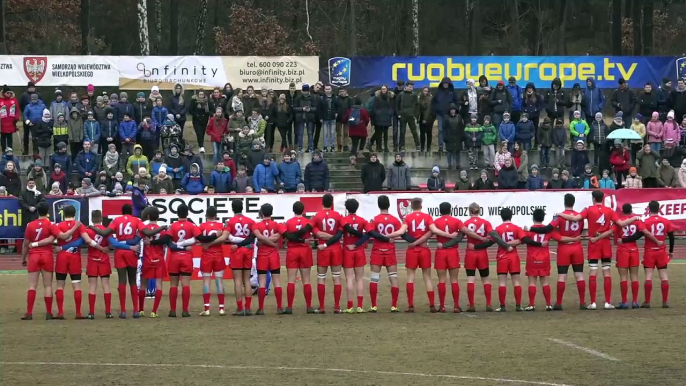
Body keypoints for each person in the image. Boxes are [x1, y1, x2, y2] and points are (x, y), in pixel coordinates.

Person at [556, 190, 636, 310]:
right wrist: (635, 218)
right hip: (605, 244)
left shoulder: (588, 209)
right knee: (606, 271)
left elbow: (576, 219)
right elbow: (621, 223)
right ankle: (607, 302)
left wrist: (560, 214)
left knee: (593, 272)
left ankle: (593, 302)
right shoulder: (609, 210)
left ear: (593, 198)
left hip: (594, 243)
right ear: (603, 199)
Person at [89, 204, 164, 318]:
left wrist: (92, 227)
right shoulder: (136, 220)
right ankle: (135, 310)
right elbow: (148, 233)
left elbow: (104, 233)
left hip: (119, 252)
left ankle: (123, 311)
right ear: (131, 211)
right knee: (133, 281)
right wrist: (162, 228)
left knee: (122, 281)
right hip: (131, 252)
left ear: (122, 212)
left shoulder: (116, 220)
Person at [50, 205, 110, 319]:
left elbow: (53, 239)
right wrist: (101, 248)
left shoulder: (58, 225)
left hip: (62, 257)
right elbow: (88, 240)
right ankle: (78, 312)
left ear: (63, 214)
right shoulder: (79, 225)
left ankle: (60, 312)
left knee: (60, 285)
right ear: (75, 214)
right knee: (76, 285)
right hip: (74, 257)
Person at [528, 194, 587, 310]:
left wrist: (530, 229)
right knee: (579, 275)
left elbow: (547, 229)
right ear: (573, 203)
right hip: (577, 247)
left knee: (562, 276)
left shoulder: (559, 217)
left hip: (564, 248)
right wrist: (575, 238)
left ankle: (559, 303)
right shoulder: (580, 217)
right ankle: (582, 302)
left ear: (564, 202)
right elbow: (580, 230)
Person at [386, 198, 439, 312]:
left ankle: (410, 305)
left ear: (411, 206)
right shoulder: (427, 217)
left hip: (412, 250)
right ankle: (432, 305)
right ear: (421, 205)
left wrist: (388, 235)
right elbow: (433, 230)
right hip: (424, 249)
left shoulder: (408, 218)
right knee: (427, 277)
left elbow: (401, 232)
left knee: (410, 278)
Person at [353, 195, 401, 312]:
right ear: (389, 205)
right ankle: (394, 305)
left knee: (374, 278)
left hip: (377, 251)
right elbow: (400, 234)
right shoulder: (395, 220)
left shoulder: (375, 220)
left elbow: (369, 234)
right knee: (393, 278)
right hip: (390, 251)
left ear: (378, 205)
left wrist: (356, 244)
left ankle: (374, 305)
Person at [471, 208, 525, 312]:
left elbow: (489, 242)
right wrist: (511, 244)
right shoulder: (517, 228)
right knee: (516, 281)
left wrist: (476, 247)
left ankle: (502, 306)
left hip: (502, 257)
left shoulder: (498, 229)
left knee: (502, 282)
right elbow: (522, 239)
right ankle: (518, 306)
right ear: (511, 216)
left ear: (501, 216)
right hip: (513, 256)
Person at [462, 203, 509, 312]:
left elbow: (460, 236)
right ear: (479, 211)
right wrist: (505, 245)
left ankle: (472, 305)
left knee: (470, 279)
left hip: (470, 253)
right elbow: (493, 236)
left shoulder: (466, 223)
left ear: (469, 211)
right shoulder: (486, 223)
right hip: (482, 253)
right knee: (486, 279)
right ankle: (488, 304)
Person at [614, 204, 660, 309]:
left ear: (622, 211)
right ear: (631, 210)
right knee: (634, 276)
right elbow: (644, 232)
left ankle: (624, 302)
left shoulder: (619, 221)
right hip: (634, 250)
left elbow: (615, 238)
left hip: (622, 250)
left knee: (623, 277)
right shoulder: (637, 220)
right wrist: (657, 241)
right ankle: (634, 302)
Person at [20, 203, 61, 320]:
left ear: (37, 212)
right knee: (48, 285)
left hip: (34, 256)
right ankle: (49, 313)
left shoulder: (30, 225)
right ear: (47, 211)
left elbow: (26, 244)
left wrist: (23, 258)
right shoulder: (51, 224)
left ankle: (29, 312)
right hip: (47, 255)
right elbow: (56, 238)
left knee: (32, 286)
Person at [280, 202, 315, 313]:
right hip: (305, 250)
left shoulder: (288, 223)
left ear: (293, 210)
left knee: (291, 280)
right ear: (303, 210)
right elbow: (314, 233)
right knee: (306, 280)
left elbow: (287, 236)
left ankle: (289, 307)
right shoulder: (308, 222)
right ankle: (309, 306)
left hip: (292, 250)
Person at [194, 206, 229, 316]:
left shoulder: (202, 226)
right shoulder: (221, 226)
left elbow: (198, 240)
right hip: (218, 254)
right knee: (219, 281)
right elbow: (224, 240)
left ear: (206, 215)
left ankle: (207, 309)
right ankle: (221, 308)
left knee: (206, 281)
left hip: (206, 256)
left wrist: (205, 244)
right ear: (216, 215)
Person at [252, 204, 284, 315]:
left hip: (262, 255)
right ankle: (279, 307)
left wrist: (263, 241)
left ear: (261, 213)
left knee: (261, 282)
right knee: (277, 282)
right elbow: (279, 236)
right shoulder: (277, 224)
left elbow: (259, 238)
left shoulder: (257, 225)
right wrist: (272, 243)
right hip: (274, 255)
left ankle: (261, 308)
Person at [225, 200, 256, 315]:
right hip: (248, 250)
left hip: (236, 251)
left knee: (237, 281)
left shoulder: (230, 222)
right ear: (242, 208)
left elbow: (226, 236)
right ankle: (248, 308)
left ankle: (239, 308)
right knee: (246, 280)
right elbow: (253, 236)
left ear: (233, 209)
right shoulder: (250, 221)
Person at [642, 200, 674, 308]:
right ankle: (665, 302)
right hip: (661, 251)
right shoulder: (665, 221)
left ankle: (647, 302)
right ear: (659, 209)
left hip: (649, 251)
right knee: (664, 276)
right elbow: (671, 236)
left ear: (649, 209)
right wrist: (671, 251)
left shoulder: (646, 222)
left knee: (648, 277)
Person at [338, 199, 369, 313]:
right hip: (359, 250)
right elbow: (368, 234)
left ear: (346, 208)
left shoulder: (344, 220)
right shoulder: (362, 220)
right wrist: (357, 244)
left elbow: (340, 233)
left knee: (349, 279)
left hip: (347, 250)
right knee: (359, 279)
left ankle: (350, 306)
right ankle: (360, 306)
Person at [433, 77, 458, 151]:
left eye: (447, 84)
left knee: (451, 130)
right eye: (444, 84)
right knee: (441, 130)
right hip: (440, 114)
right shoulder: (438, 92)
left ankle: (450, 145)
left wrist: (454, 110)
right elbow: (433, 102)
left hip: (450, 115)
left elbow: (457, 102)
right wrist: (436, 110)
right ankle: (441, 146)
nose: (445, 85)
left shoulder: (452, 92)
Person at [293, 84, 318, 152]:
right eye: (304, 91)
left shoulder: (313, 97)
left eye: (306, 91)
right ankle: (300, 148)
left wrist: (310, 109)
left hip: (310, 118)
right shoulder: (298, 98)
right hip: (300, 118)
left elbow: (315, 108)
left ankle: (310, 147)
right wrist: (302, 109)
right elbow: (294, 108)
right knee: (300, 133)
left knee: (310, 133)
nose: (305, 93)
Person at [396, 81, 420, 151]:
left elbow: (417, 105)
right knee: (402, 132)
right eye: (409, 87)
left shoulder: (414, 95)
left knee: (414, 131)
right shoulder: (401, 94)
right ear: (406, 87)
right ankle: (401, 147)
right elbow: (396, 105)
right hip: (403, 116)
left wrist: (415, 115)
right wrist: (399, 114)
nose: (411, 88)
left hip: (411, 116)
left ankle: (418, 145)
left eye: (412, 87)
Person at [443, 104, 464, 169]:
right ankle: (449, 164)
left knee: (458, 151)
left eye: (454, 110)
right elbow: (444, 128)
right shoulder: (446, 118)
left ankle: (458, 164)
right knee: (449, 151)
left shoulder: (459, 117)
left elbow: (461, 127)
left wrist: (462, 136)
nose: (452, 111)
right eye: (451, 110)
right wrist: (445, 137)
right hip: (449, 136)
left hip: (457, 136)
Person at [0, 85, 20, 152]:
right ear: (4, 93)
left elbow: (17, 109)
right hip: (2, 122)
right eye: (7, 93)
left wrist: (16, 118)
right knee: (3, 136)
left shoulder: (14, 100)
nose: (9, 94)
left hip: (11, 121)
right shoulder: (0, 100)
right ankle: (3, 150)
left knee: (9, 136)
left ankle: (10, 149)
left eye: (10, 93)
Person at [417, 87, 435, 152]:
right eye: (424, 91)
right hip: (421, 117)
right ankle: (422, 147)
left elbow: (429, 109)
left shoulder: (431, 98)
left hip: (429, 118)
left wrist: (426, 119)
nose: (425, 92)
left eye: (427, 91)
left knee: (429, 133)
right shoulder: (419, 97)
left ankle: (428, 147)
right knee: (422, 133)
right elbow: (417, 107)